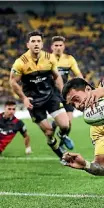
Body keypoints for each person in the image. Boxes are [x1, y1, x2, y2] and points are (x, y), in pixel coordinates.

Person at [9, 30, 74, 162]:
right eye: (33, 41)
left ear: (42, 44)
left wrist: (63, 92)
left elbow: (57, 77)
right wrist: (24, 98)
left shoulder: (49, 58)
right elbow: (13, 82)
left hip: (50, 96)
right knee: (49, 132)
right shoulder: (20, 62)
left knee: (66, 125)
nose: (36, 44)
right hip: (34, 102)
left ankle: (62, 135)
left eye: (38, 41)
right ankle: (61, 155)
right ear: (28, 44)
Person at [51, 35, 83, 150]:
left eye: (60, 45)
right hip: (53, 94)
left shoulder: (69, 59)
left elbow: (78, 74)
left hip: (66, 94)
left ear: (63, 47)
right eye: (56, 45)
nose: (58, 47)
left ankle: (60, 141)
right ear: (52, 47)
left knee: (69, 123)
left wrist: (82, 87)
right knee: (64, 122)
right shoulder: (47, 59)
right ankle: (56, 125)